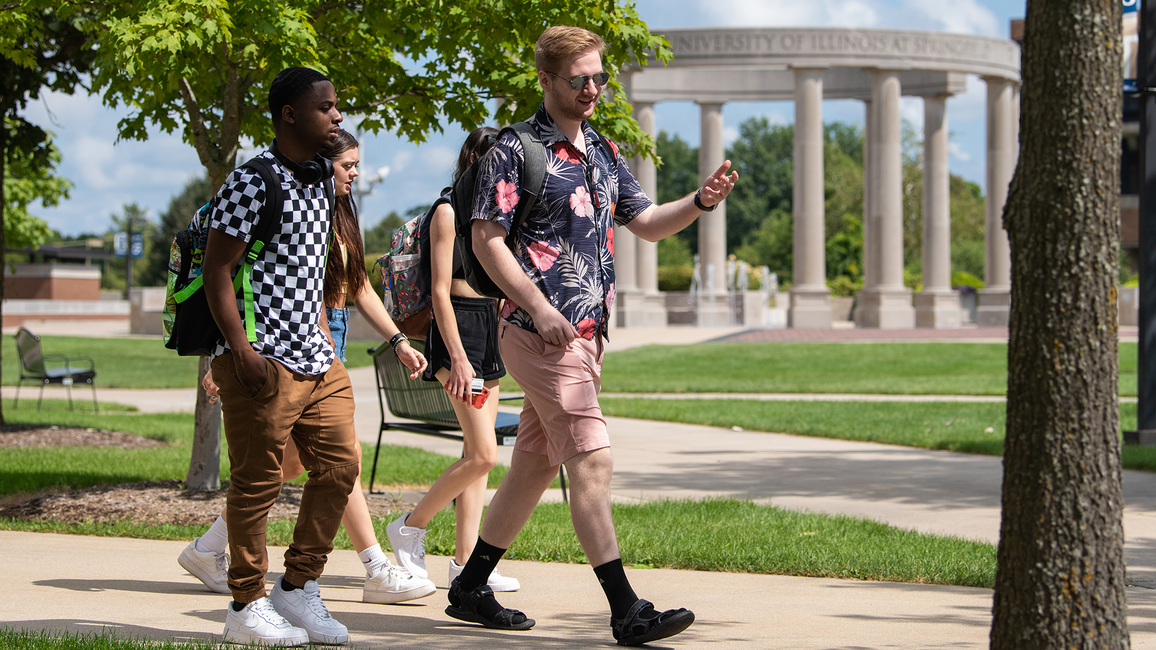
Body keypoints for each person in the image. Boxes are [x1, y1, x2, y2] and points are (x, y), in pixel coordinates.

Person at [446, 26, 738, 646]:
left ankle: (471, 587)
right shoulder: (515, 148)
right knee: (593, 459)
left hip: (585, 335)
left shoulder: (602, 150)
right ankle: (626, 609)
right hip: (539, 334)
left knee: (530, 465)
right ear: (546, 80)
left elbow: (649, 223)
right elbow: (485, 240)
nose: (592, 89)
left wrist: (700, 202)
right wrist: (537, 305)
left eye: (599, 78)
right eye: (579, 79)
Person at [178, 128, 436, 610]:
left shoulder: (338, 212)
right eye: (349, 165)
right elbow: (264, 282)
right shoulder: (288, 201)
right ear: (323, 162)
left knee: (308, 463)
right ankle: (373, 566)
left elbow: (358, 285)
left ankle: (211, 547)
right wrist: (232, 354)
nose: (356, 173)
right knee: (337, 458)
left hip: (324, 333)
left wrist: (397, 340)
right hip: (298, 338)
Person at [199, 66, 356, 647]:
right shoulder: (252, 182)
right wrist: (240, 350)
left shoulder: (321, 177)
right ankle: (245, 603)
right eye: (325, 107)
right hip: (263, 358)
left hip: (316, 356)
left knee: (339, 467)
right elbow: (218, 269)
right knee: (257, 484)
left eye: (336, 105)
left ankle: (297, 587)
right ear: (290, 114)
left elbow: (310, 268)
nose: (337, 115)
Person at [385, 127, 519, 593]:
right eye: (497, 158)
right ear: (475, 158)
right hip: (456, 329)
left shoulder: (498, 214)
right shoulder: (448, 211)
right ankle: (410, 525)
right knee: (483, 454)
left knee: (475, 451)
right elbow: (439, 292)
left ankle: (466, 565)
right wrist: (458, 359)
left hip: (488, 326)